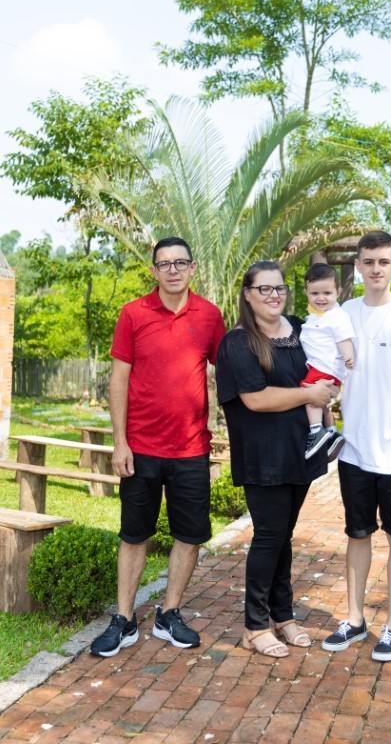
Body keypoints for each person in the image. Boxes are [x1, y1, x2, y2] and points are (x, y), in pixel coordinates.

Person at [90, 236, 226, 658]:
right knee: (134, 535)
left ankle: (169, 613)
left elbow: (230, 369)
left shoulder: (209, 315)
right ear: (154, 270)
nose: (172, 270)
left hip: (191, 449)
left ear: (192, 267)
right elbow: (118, 380)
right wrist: (120, 442)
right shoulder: (133, 313)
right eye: (164, 264)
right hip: (141, 449)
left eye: (180, 262)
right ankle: (125, 619)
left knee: (190, 535)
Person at [322, 230, 391, 662]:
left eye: (384, 262)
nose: (376, 269)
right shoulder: (344, 313)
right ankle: (354, 619)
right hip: (355, 450)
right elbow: (327, 371)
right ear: (357, 266)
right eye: (368, 261)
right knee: (357, 534)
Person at [216, 261, 335, 658]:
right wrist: (310, 395)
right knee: (269, 537)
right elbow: (255, 398)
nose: (273, 295)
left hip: (300, 450)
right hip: (263, 455)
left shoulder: (300, 329)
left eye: (279, 288)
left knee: (284, 535)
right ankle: (254, 626)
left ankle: (283, 616)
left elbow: (324, 365)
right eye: (263, 289)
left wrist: (328, 390)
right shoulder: (238, 343)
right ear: (247, 294)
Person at [299, 262, 356, 460]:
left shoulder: (337, 316)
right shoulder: (317, 315)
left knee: (310, 395)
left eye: (327, 293)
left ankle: (316, 431)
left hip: (325, 367)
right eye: (315, 293)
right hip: (321, 366)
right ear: (306, 292)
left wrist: (348, 355)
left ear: (338, 292)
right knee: (322, 403)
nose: (321, 298)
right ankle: (331, 432)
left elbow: (344, 338)